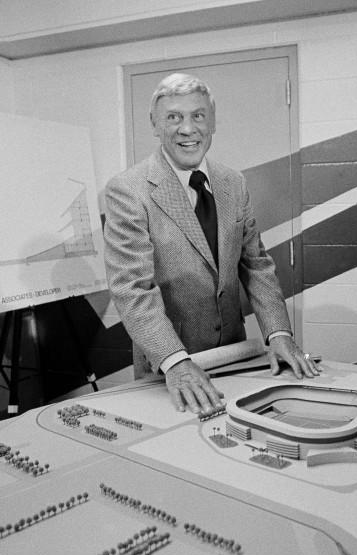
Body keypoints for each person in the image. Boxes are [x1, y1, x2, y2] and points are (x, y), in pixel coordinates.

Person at [104, 73, 320, 414]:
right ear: (154, 124)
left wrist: (278, 333)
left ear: (213, 122)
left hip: (234, 356)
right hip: (171, 368)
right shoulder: (128, 191)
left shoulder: (233, 182)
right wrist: (175, 362)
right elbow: (132, 289)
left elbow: (256, 264)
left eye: (198, 115)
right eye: (174, 117)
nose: (188, 129)